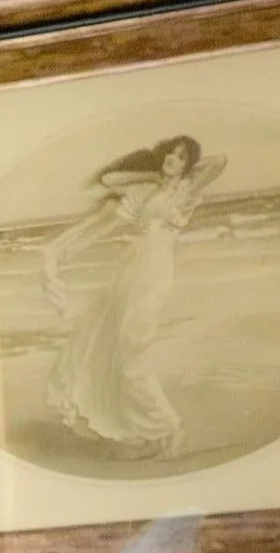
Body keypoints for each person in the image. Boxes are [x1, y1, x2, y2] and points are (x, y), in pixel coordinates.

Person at [42, 134, 226, 456]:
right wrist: (154, 173)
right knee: (106, 342)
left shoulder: (186, 191)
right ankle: (142, 432)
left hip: (154, 269)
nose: (172, 157)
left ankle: (171, 429)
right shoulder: (146, 190)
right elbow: (110, 180)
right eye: (170, 152)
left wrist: (185, 172)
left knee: (132, 348)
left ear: (188, 165)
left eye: (181, 156)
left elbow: (220, 161)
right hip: (130, 268)